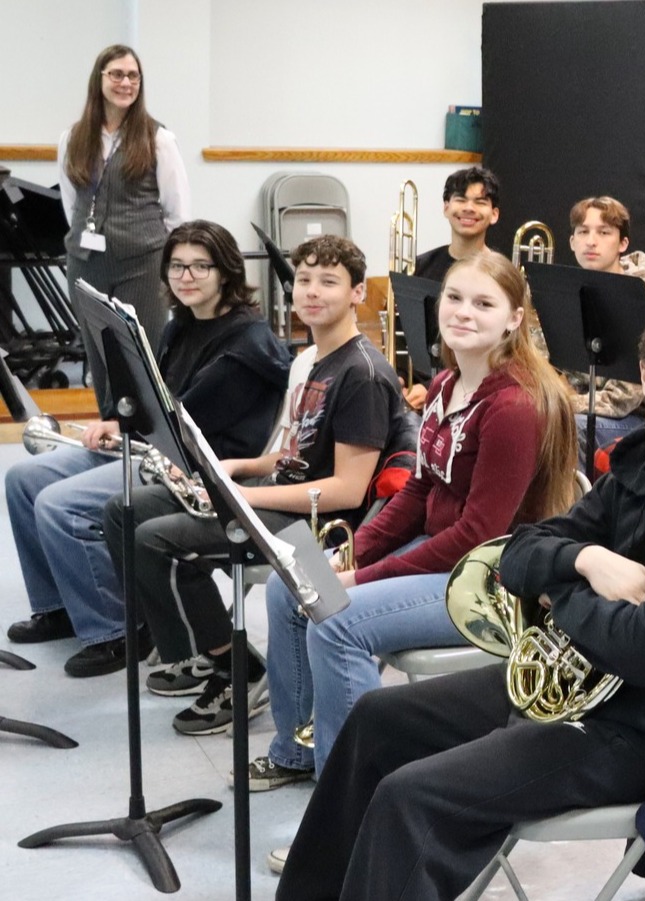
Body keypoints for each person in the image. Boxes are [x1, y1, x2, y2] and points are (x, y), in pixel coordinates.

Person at [274, 299, 645, 901]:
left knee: (412, 798)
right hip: (578, 689)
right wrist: (586, 561)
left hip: (642, 733)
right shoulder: (643, 465)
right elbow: (517, 553)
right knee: (376, 719)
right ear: (644, 373)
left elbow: (644, 652)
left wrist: (556, 595)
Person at [249, 250, 580, 790]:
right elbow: (420, 490)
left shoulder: (514, 407)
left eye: (483, 303)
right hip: (444, 551)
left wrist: (359, 578)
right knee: (293, 585)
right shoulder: (448, 384)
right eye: (454, 298)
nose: (463, 313)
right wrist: (350, 551)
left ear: (514, 319)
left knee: (337, 623)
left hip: (491, 581)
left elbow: (477, 537)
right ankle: (297, 751)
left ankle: (349, 803)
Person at [103, 235, 405, 735]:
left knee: (156, 540)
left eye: (329, 282)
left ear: (357, 293)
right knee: (123, 510)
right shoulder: (313, 359)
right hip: (279, 495)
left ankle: (236, 668)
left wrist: (243, 495)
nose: (311, 291)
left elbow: (348, 492)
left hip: (316, 529)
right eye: (304, 279)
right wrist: (233, 469)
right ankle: (201, 649)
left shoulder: (362, 374)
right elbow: (295, 453)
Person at [5, 220, 289, 677]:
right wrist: (117, 420)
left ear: (227, 273)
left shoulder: (245, 343)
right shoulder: (180, 327)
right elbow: (155, 397)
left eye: (201, 266)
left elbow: (183, 424)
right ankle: (58, 605)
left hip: (189, 467)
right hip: (155, 446)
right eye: (177, 266)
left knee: (60, 505)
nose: (186, 276)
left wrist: (126, 428)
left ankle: (115, 630)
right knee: (23, 479)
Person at [58, 44, 190, 346]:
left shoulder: (158, 138)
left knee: (141, 356)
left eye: (133, 76)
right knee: (100, 357)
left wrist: (170, 261)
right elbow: (71, 202)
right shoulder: (72, 138)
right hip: (86, 263)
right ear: (99, 79)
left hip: (142, 265)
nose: (126, 83)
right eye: (117, 74)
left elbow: (177, 212)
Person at [565, 195, 645, 463]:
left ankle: (575, 505)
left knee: (568, 427)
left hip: (632, 420)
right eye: (583, 232)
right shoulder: (563, 291)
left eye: (604, 232)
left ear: (622, 243)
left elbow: (623, 399)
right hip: (574, 407)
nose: (591, 241)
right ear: (572, 241)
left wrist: (561, 405)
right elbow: (545, 364)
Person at [412, 166, 501, 282]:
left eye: (480, 202)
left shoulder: (503, 273)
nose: (469, 208)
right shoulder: (420, 266)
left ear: (494, 215)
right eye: (461, 200)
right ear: (446, 208)